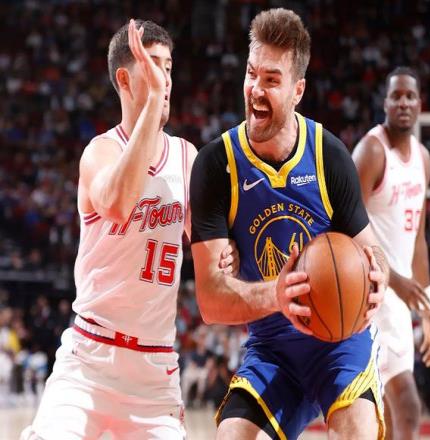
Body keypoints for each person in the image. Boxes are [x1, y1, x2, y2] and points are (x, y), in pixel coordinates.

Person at [22, 19, 237, 440]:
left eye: (169, 68)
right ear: (124, 78)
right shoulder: (100, 152)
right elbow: (119, 204)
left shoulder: (186, 157)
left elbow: (215, 254)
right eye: (153, 65)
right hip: (90, 362)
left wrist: (230, 252)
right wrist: (153, 104)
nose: (165, 79)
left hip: (155, 374)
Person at [190, 8, 389, 440]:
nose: (255, 89)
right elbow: (210, 301)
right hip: (272, 350)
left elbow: (372, 250)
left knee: (356, 432)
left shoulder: (328, 155)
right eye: (251, 74)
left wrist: (378, 279)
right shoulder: (216, 165)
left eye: (271, 80)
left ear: (298, 90)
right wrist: (278, 296)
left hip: (341, 345)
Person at [352, 66, 430, 440]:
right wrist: (393, 279)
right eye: (396, 96)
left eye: (410, 96)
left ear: (420, 104)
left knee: (389, 421)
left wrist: (429, 313)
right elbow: (347, 227)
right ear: (385, 103)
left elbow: (418, 240)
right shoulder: (371, 151)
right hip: (370, 295)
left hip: (401, 302)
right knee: (407, 405)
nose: (403, 102)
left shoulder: (423, 159)